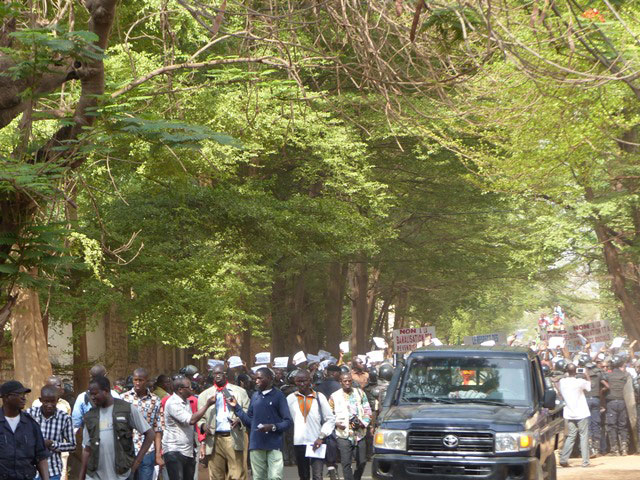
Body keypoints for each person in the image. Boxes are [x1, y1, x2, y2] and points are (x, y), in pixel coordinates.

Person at [79, 376, 154, 480]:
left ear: (106, 391)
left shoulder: (126, 409)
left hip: (122, 475)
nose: (92, 397)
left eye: (95, 394)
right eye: (90, 394)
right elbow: (87, 449)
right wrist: (81, 476)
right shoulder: (90, 416)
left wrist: (136, 462)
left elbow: (150, 434)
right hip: (94, 476)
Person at [229, 367, 293, 480]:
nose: (256, 381)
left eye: (259, 378)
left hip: (274, 444)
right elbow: (249, 421)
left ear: (269, 379)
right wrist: (237, 408)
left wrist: (273, 427)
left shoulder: (279, 396)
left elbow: (288, 422)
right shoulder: (255, 396)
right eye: (255, 378)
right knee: (258, 477)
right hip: (257, 444)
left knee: (275, 477)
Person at [197, 365, 250, 480]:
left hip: (234, 436)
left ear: (226, 374)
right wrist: (203, 425)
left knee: (237, 474)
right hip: (214, 438)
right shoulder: (205, 395)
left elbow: (248, 411)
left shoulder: (239, 392)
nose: (217, 376)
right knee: (216, 474)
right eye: (215, 373)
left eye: (220, 373)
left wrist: (239, 419)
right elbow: (200, 417)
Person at [163, 375, 216, 480]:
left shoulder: (186, 401)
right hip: (174, 451)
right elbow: (191, 420)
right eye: (189, 387)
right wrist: (207, 404)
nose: (192, 389)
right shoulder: (172, 403)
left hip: (188, 451)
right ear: (180, 390)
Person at [286, 370, 335, 480]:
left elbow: (330, 419)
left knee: (318, 476)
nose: (302, 384)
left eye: (304, 381)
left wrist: (321, 437)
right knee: (303, 476)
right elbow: (285, 419)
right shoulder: (290, 398)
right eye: (299, 381)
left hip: (316, 442)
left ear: (310, 381)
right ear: (295, 382)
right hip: (299, 443)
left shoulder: (319, 397)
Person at [0, 380, 50, 480]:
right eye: (19, 394)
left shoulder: (31, 425)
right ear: (6, 398)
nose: (23, 398)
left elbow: (41, 457)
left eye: (24, 394)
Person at [122, 368, 164, 480]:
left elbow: (158, 428)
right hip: (128, 451)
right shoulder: (124, 398)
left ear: (147, 381)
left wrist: (158, 455)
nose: (137, 383)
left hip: (147, 451)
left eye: (140, 380)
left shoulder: (155, 400)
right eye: (135, 380)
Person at [27, 384, 76, 480]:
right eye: (46, 401)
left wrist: (52, 444)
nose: (49, 405)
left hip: (53, 470)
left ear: (57, 400)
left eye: (52, 401)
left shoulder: (64, 418)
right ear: (40, 400)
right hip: (31, 470)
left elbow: (73, 445)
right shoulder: (30, 414)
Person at [329, 373, 372, 480]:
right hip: (343, 434)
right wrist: (337, 423)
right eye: (345, 381)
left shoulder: (360, 393)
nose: (347, 383)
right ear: (340, 382)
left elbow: (367, 411)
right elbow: (328, 415)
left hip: (359, 434)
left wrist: (362, 423)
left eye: (349, 380)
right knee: (346, 463)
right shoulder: (334, 396)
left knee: (362, 461)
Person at [558, 363, 591, 468]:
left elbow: (562, 379)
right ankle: (585, 461)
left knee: (571, 436)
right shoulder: (580, 382)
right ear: (576, 371)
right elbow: (589, 387)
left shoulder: (562, 382)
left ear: (567, 371)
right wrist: (586, 374)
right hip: (581, 413)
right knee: (583, 436)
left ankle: (563, 459)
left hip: (569, 413)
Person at [71, 365, 121, 429]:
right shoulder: (114, 395)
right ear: (105, 376)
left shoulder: (82, 397)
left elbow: (76, 422)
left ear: (91, 377)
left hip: (91, 434)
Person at [605, 356, 632, 455]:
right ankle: (624, 448)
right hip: (622, 402)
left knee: (612, 426)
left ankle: (615, 449)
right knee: (623, 425)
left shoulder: (608, 375)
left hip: (611, 402)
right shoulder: (626, 375)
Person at [584, 362, 608, 457]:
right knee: (596, 423)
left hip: (586, 400)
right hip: (596, 399)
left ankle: (589, 449)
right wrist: (600, 392)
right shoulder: (598, 374)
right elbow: (607, 386)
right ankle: (596, 449)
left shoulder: (582, 374)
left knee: (588, 424)